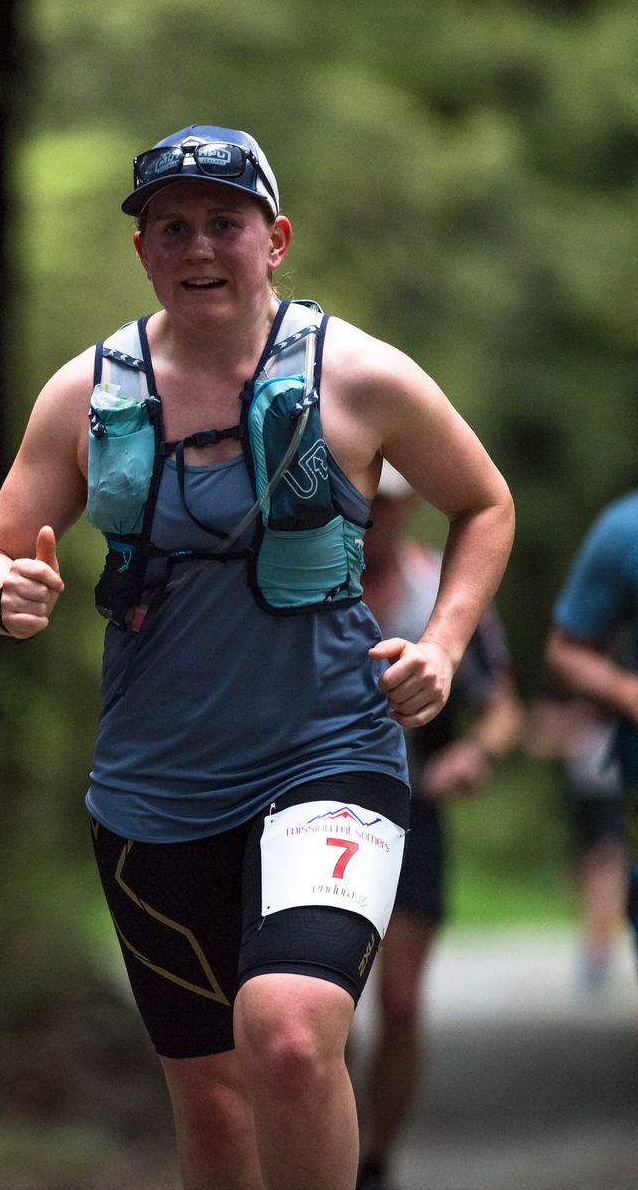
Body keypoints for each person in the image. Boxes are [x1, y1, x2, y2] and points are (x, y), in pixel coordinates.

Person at [0, 126, 513, 1190]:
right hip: (151, 789)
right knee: (213, 1106)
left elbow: (484, 501)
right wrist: (5, 594)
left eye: (226, 222)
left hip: (328, 750)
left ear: (276, 239)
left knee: (295, 1032)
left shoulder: (359, 373)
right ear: (143, 251)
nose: (199, 245)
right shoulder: (85, 391)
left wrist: (443, 645)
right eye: (173, 226)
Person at [352, 471, 521, 1190]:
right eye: (361, 502)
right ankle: (329, 1150)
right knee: (321, 1007)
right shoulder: (302, 590)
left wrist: (473, 754)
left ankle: (374, 1159)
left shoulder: (442, 594)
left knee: (398, 1000)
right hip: (312, 813)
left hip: (415, 811)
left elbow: (504, 708)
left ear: (407, 506)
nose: (371, 518)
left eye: (385, 505)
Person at [543, 487, 638, 975]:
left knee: (602, 856)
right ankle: (596, 948)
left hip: (597, 767)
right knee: (598, 855)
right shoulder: (624, 531)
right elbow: (564, 657)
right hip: (603, 769)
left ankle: (597, 949)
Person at [526, 697, 630, 993]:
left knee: (603, 866)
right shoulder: (569, 684)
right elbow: (540, 736)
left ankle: (599, 953)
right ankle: (595, 945)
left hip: (610, 784)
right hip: (583, 785)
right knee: (585, 869)